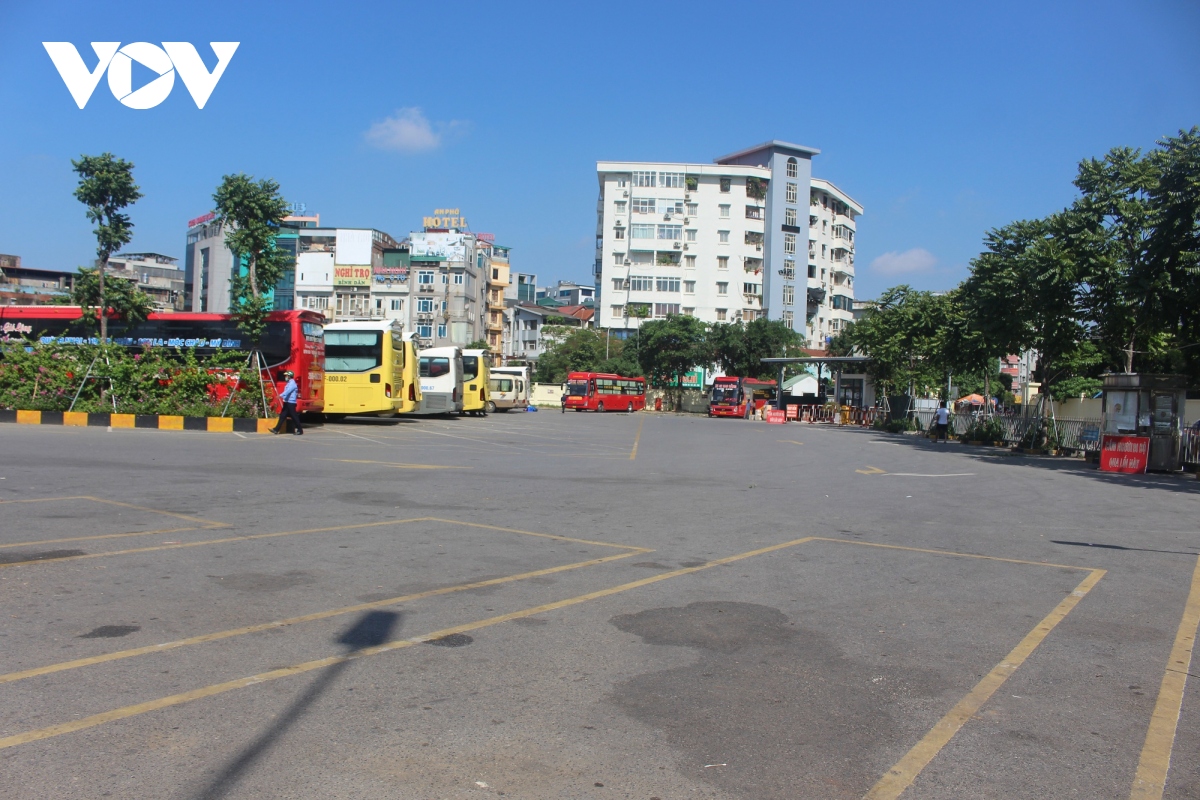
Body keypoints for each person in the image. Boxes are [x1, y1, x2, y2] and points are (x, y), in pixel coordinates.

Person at [272, 370, 303, 435]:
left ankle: (300, 430)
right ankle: (276, 429)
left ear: (289, 376)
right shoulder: (289, 383)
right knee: (282, 416)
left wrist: (280, 395)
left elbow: (288, 391)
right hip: (287, 402)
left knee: (294, 416)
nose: (285, 377)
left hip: (291, 403)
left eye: (286, 375)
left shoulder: (292, 383)